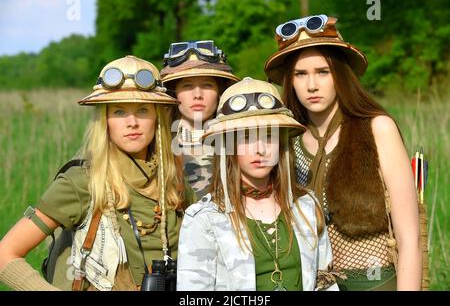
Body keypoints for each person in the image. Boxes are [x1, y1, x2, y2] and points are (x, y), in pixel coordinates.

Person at [0, 55, 195, 291]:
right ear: (105, 121)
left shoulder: (175, 180)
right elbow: (5, 254)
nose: (132, 122)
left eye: (143, 110)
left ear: (157, 118)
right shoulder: (82, 182)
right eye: (120, 112)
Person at [264, 15, 422, 290]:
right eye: (301, 74)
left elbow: (410, 239)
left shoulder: (377, 128)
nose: (311, 85)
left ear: (339, 74)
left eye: (323, 72)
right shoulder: (286, 140)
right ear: (290, 81)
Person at [177, 77, 338, 291]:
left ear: (281, 142)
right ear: (229, 145)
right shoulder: (204, 217)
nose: (260, 149)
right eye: (246, 137)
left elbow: (326, 283)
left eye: (269, 136)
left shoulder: (306, 205)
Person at [160, 40, 239, 198]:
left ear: (220, 92)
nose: (197, 95)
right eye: (187, 86)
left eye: (207, 85)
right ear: (173, 93)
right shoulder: (158, 146)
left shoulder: (238, 144)